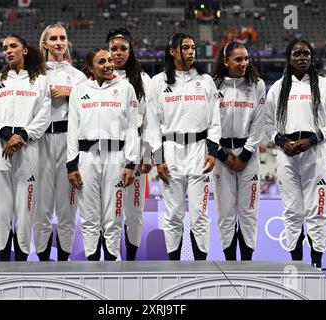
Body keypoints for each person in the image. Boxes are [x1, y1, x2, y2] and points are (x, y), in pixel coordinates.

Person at [265, 39, 326, 269]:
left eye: (307, 54)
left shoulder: (324, 84)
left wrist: (313, 138)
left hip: (315, 152)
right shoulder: (278, 88)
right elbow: (268, 124)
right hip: (286, 154)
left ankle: (317, 264)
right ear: (289, 58)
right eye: (297, 54)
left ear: (311, 57)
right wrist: (280, 140)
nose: (303, 58)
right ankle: (297, 265)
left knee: (317, 211)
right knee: (291, 212)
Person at [147, 33, 221, 260]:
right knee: (174, 214)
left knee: (200, 214)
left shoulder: (206, 80)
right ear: (172, 51)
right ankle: (174, 264)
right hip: (170, 151)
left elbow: (215, 120)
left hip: (199, 149)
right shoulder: (158, 82)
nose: (191, 52)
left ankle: (200, 264)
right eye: (186, 48)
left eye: (193, 48)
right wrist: (158, 160)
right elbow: (152, 125)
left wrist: (212, 150)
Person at [67, 48, 139, 261]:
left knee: (113, 217)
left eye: (109, 60)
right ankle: (91, 264)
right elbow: (73, 129)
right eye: (102, 62)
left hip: (116, 158)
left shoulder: (126, 88)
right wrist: (71, 165)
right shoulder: (79, 90)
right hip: (86, 159)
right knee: (89, 218)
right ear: (90, 67)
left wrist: (130, 163)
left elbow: (132, 128)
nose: (109, 64)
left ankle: (111, 265)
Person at [0, 34, 51, 261]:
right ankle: (3, 260)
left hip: (27, 150)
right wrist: (6, 134)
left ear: (24, 50)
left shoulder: (40, 81)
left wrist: (21, 135)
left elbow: (44, 115)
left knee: (25, 210)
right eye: (4, 48)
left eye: (13, 46)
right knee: (0, 211)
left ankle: (22, 260)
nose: (8, 51)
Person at [33, 24, 87, 261]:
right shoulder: (34, 73)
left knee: (67, 208)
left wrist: (70, 93)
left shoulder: (78, 76)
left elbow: (90, 107)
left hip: (68, 142)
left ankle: (64, 262)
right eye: (53, 38)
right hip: (41, 142)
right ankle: (44, 261)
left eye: (62, 38)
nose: (58, 42)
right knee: (41, 209)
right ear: (44, 43)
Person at [211, 41, 266, 261]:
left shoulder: (257, 85)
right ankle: (230, 263)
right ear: (226, 61)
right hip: (221, 155)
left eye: (246, 59)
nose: (244, 63)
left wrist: (245, 154)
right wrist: (223, 155)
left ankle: (247, 263)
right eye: (238, 59)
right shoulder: (213, 85)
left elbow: (259, 121)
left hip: (248, 157)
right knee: (225, 213)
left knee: (249, 213)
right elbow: (208, 122)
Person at [106, 28, 152, 260]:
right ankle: (109, 260)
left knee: (134, 211)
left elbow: (150, 121)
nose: (118, 53)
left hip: (135, 149)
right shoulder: (98, 78)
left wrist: (146, 155)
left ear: (130, 51)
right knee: (109, 210)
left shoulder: (143, 79)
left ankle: (131, 259)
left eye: (123, 48)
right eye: (113, 49)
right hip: (107, 149)